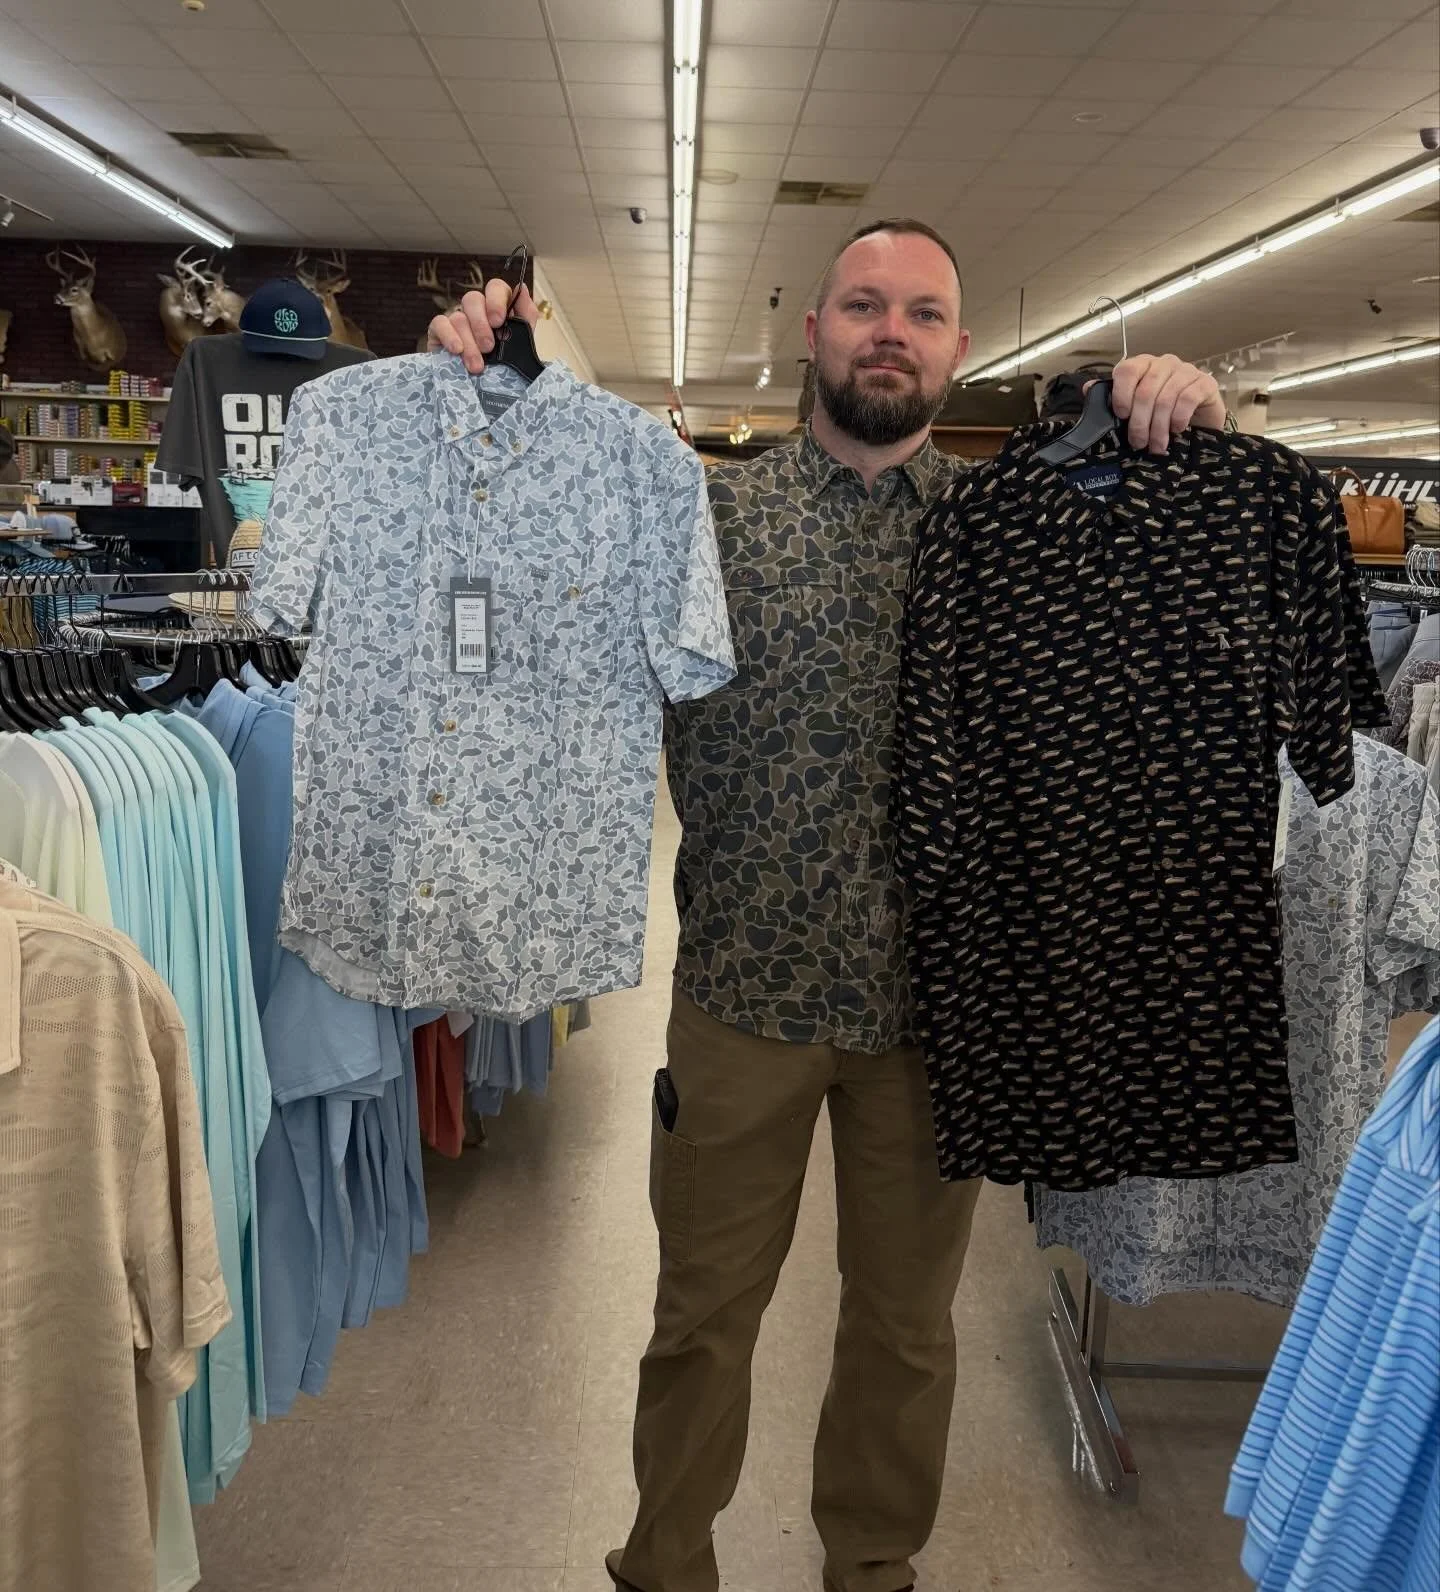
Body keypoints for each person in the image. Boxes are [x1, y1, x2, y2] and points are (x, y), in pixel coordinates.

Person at [430, 219, 1226, 1592]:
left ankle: (871, 1569)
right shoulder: (703, 522)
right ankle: (664, 1564)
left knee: (907, 1332)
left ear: (959, 350)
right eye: (864, 305)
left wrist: (1191, 423)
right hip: (743, 1003)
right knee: (701, 1320)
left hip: (937, 1022)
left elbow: (1184, 603)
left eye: (921, 313)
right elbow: (509, 602)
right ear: (813, 330)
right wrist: (476, 399)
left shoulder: (1019, 534)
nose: (889, 333)